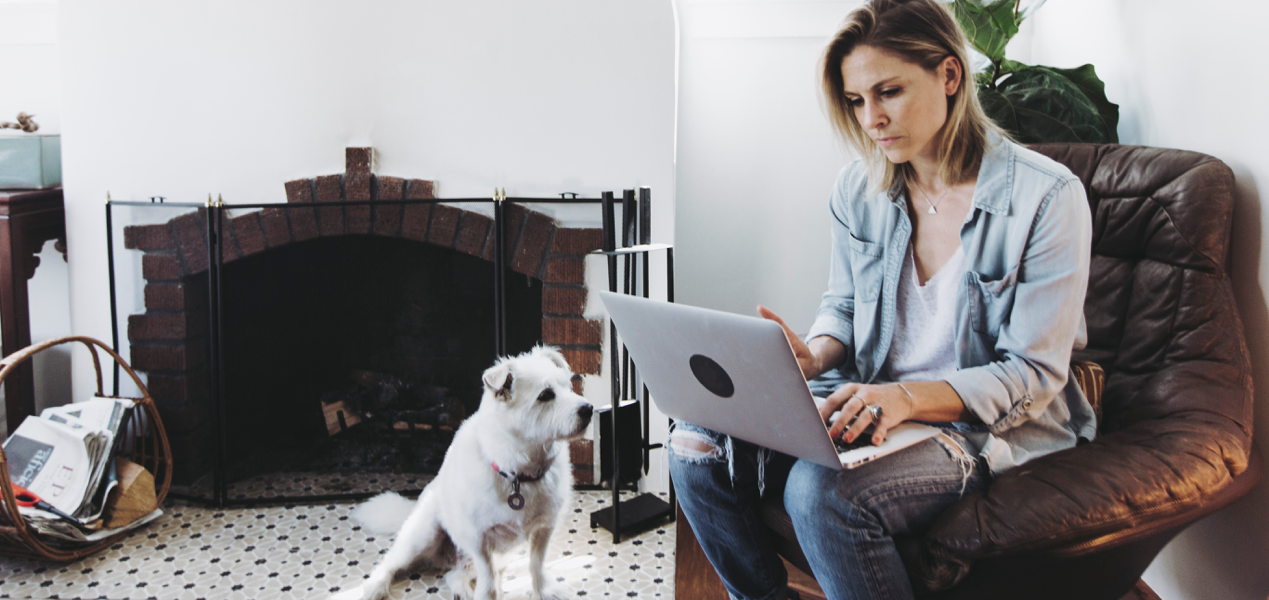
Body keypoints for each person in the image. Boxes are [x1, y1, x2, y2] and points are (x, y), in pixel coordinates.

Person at [667, 0, 1099, 599]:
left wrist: (903, 398)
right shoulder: (859, 188)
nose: (871, 118)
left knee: (819, 496)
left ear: (950, 76)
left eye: (888, 92)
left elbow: (1032, 375)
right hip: (867, 395)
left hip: (980, 429)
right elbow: (843, 305)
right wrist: (814, 355)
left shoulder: (1048, 199)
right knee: (694, 443)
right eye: (855, 101)